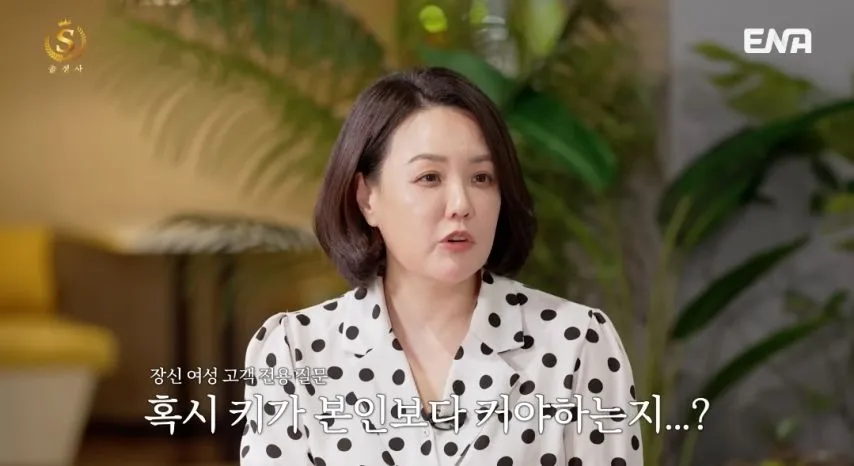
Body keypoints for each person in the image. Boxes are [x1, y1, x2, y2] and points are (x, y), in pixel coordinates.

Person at [239, 67, 643, 465]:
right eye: (430, 177)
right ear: (366, 198)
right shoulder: (295, 352)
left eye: (481, 178)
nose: (461, 204)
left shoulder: (575, 342)